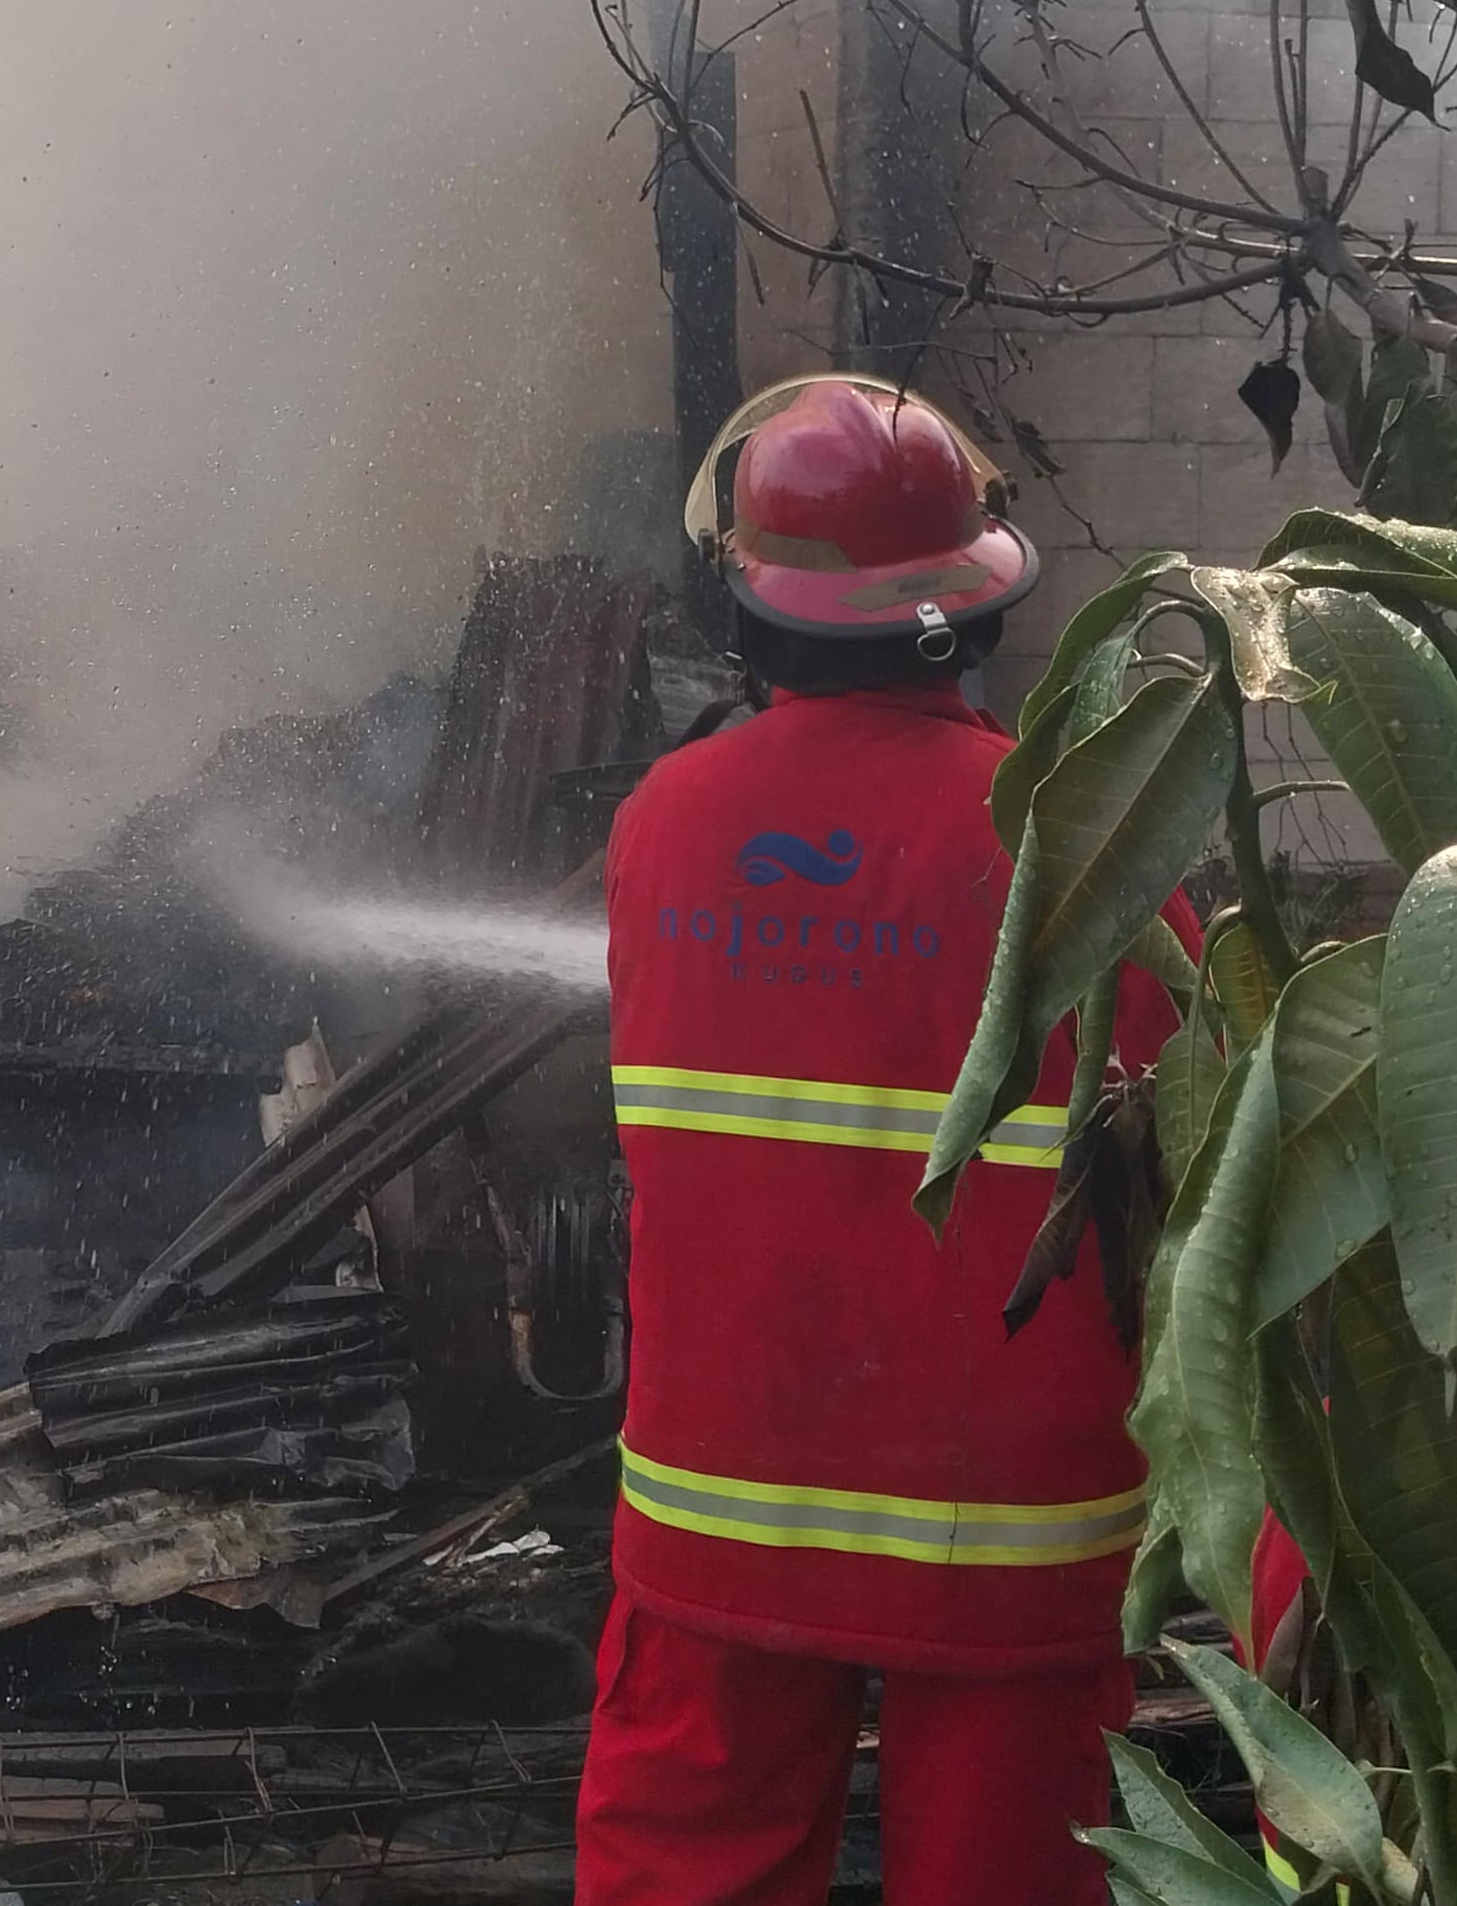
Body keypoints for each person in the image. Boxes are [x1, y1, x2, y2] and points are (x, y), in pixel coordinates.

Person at [577, 372, 1172, 1906]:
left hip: (724, 1501)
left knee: (680, 1876)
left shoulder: (663, 823)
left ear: (754, 618)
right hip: (1011, 1526)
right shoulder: (1094, 842)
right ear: (977, 606)